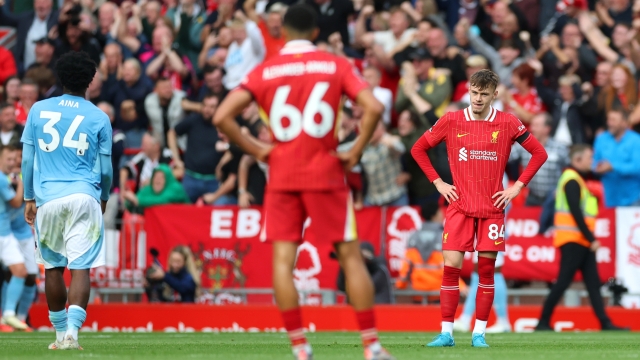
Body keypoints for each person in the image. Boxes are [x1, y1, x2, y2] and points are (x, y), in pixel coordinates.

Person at [213, 4, 394, 360]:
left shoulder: (265, 70)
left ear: (283, 32)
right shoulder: (336, 65)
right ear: (315, 33)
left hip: (281, 173)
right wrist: (354, 150)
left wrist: (260, 150)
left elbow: (222, 115)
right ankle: (371, 346)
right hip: (325, 170)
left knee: (282, 261)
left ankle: (299, 347)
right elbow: (372, 107)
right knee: (351, 257)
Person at [411, 69, 547, 347]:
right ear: (469, 91)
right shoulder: (451, 120)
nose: (478, 98)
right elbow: (418, 149)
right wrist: (438, 182)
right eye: (474, 92)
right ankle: (446, 332)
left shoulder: (508, 122)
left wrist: (516, 187)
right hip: (459, 206)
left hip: (492, 208)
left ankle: (479, 334)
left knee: (486, 271)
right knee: (451, 268)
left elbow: (539, 153)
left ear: (494, 94)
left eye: (484, 94)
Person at [21, 51, 113, 350]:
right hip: (84, 195)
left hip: (48, 197)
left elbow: (27, 158)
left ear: (60, 78)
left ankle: (59, 336)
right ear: (90, 81)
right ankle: (73, 333)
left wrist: (29, 197)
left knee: (53, 268)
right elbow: (107, 169)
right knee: (81, 267)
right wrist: (103, 196)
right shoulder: (99, 117)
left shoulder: (38, 110)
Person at [536, 144, 628, 331]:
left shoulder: (575, 179)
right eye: (588, 158)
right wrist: (591, 238)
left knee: (593, 283)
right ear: (577, 160)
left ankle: (605, 323)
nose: (591, 162)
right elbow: (576, 213)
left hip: (579, 239)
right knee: (563, 282)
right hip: (573, 239)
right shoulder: (572, 180)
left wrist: (588, 239)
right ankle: (542, 322)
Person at [0, 144, 27, 330]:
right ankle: (8, 314)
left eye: (13, 159)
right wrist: (23, 183)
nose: (12, 163)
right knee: (19, 271)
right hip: (2, 234)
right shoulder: (1, 179)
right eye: (8, 160)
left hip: (5, 232)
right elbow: (17, 202)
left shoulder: (4, 178)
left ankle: (8, 315)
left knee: (20, 271)